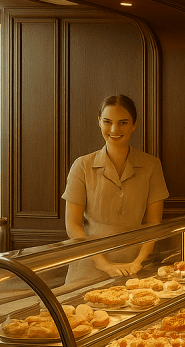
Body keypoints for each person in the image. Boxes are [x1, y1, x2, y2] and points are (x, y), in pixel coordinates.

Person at [62, 95, 169, 283]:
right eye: (107, 122)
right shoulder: (82, 166)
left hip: (134, 269)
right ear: (99, 123)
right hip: (87, 269)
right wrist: (102, 263)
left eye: (123, 122)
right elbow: (73, 225)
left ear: (134, 125)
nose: (114, 129)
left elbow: (153, 224)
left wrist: (138, 261)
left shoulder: (152, 165)